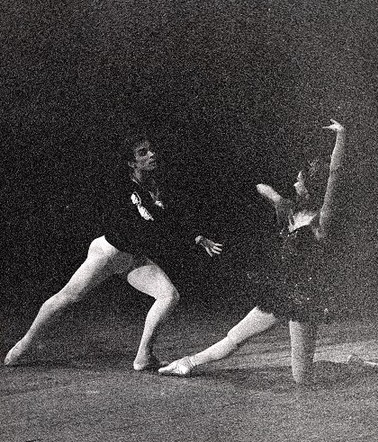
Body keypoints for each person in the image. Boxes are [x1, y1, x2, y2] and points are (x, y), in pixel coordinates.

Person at [4, 132, 222, 370]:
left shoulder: (154, 185)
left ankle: (144, 357)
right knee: (67, 297)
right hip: (109, 254)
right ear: (131, 163)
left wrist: (197, 237)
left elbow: (167, 219)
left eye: (150, 150)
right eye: (143, 153)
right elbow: (145, 221)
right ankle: (23, 345)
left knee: (169, 296)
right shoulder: (123, 187)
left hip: (132, 257)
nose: (151, 155)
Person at [159, 119, 346, 384]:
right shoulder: (290, 209)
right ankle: (187, 363)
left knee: (301, 378)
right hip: (282, 293)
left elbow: (335, 174)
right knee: (235, 336)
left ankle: (359, 364)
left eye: (299, 179)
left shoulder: (321, 221)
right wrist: (262, 189)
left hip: (306, 300)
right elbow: (266, 191)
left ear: (310, 186)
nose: (294, 182)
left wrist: (341, 136)